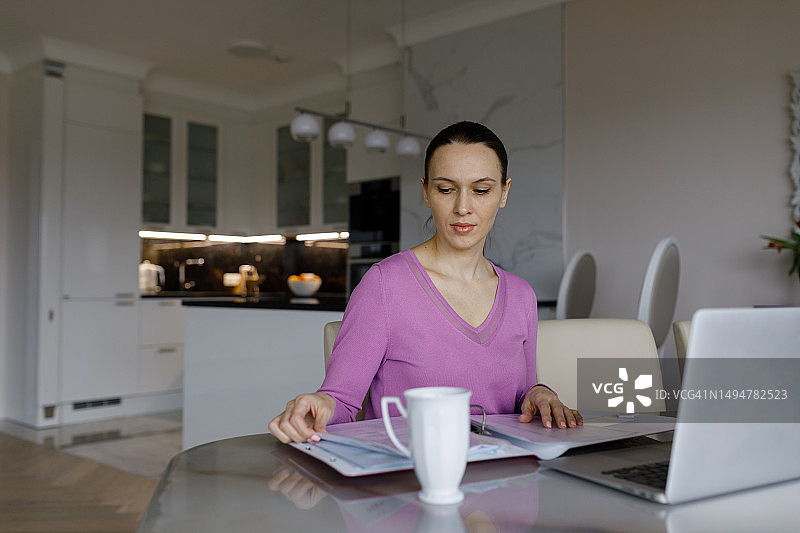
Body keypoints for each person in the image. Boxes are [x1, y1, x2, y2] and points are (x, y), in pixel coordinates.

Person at [269, 121, 582, 444]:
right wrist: (318, 405)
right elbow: (342, 400)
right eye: (446, 189)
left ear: (504, 193)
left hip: (508, 476)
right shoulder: (385, 285)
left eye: (481, 190)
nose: (463, 207)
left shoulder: (520, 295)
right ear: (426, 191)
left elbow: (522, 396)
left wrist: (540, 393)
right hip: (409, 480)